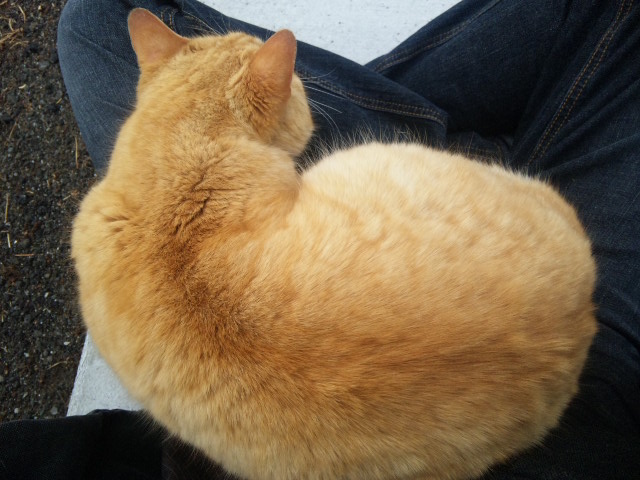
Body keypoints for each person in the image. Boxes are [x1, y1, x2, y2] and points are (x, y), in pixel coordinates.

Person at [2, 0, 638, 478]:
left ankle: (474, 146)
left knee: (90, 16)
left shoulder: (106, 254)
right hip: (565, 381)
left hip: (439, 425)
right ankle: (482, 147)